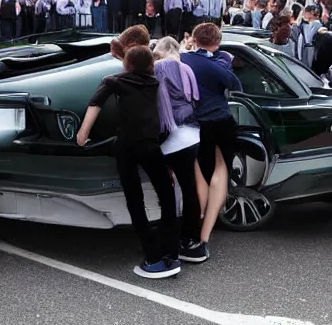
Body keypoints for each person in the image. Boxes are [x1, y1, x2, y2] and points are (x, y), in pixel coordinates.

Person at [77, 44, 181, 279]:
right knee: (166, 196)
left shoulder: (114, 81)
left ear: (127, 64)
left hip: (127, 146)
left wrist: (83, 136)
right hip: (152, 146)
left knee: (135, 200)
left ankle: (152, 257)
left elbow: (95, 104)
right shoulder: (154, 82)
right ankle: (171, 254)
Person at [181, 23, 242, 257]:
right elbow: (235, 84)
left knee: (200, 175)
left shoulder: (183, 59)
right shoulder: (217, 63)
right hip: (219, 121)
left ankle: (193, 232)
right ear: (217, 42)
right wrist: (223, 60)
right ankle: (203, 237)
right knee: (220, 173)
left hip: (193, 124)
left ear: (194, 38)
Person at [152, 37, 207, 263]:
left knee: (169, 192)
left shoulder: (162, 67)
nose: (154, 57)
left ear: (165, 50)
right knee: (190, 189)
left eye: (156, 53)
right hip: (193, 134)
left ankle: (174, 242)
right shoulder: (187, 68)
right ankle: (192, 239)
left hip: (172, 138)